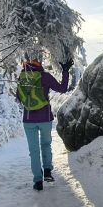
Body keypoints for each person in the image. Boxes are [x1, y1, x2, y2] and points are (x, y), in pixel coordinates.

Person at [16, 57, 72, 190]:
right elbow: (63, 88)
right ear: (39, 65)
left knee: (33, 151)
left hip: (28, 120)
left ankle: (37, 181)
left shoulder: (23, 77)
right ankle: (47, 171)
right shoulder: (45, 76)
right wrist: (65, 71)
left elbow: (19, 97)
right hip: (45, 118)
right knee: (46, 145)